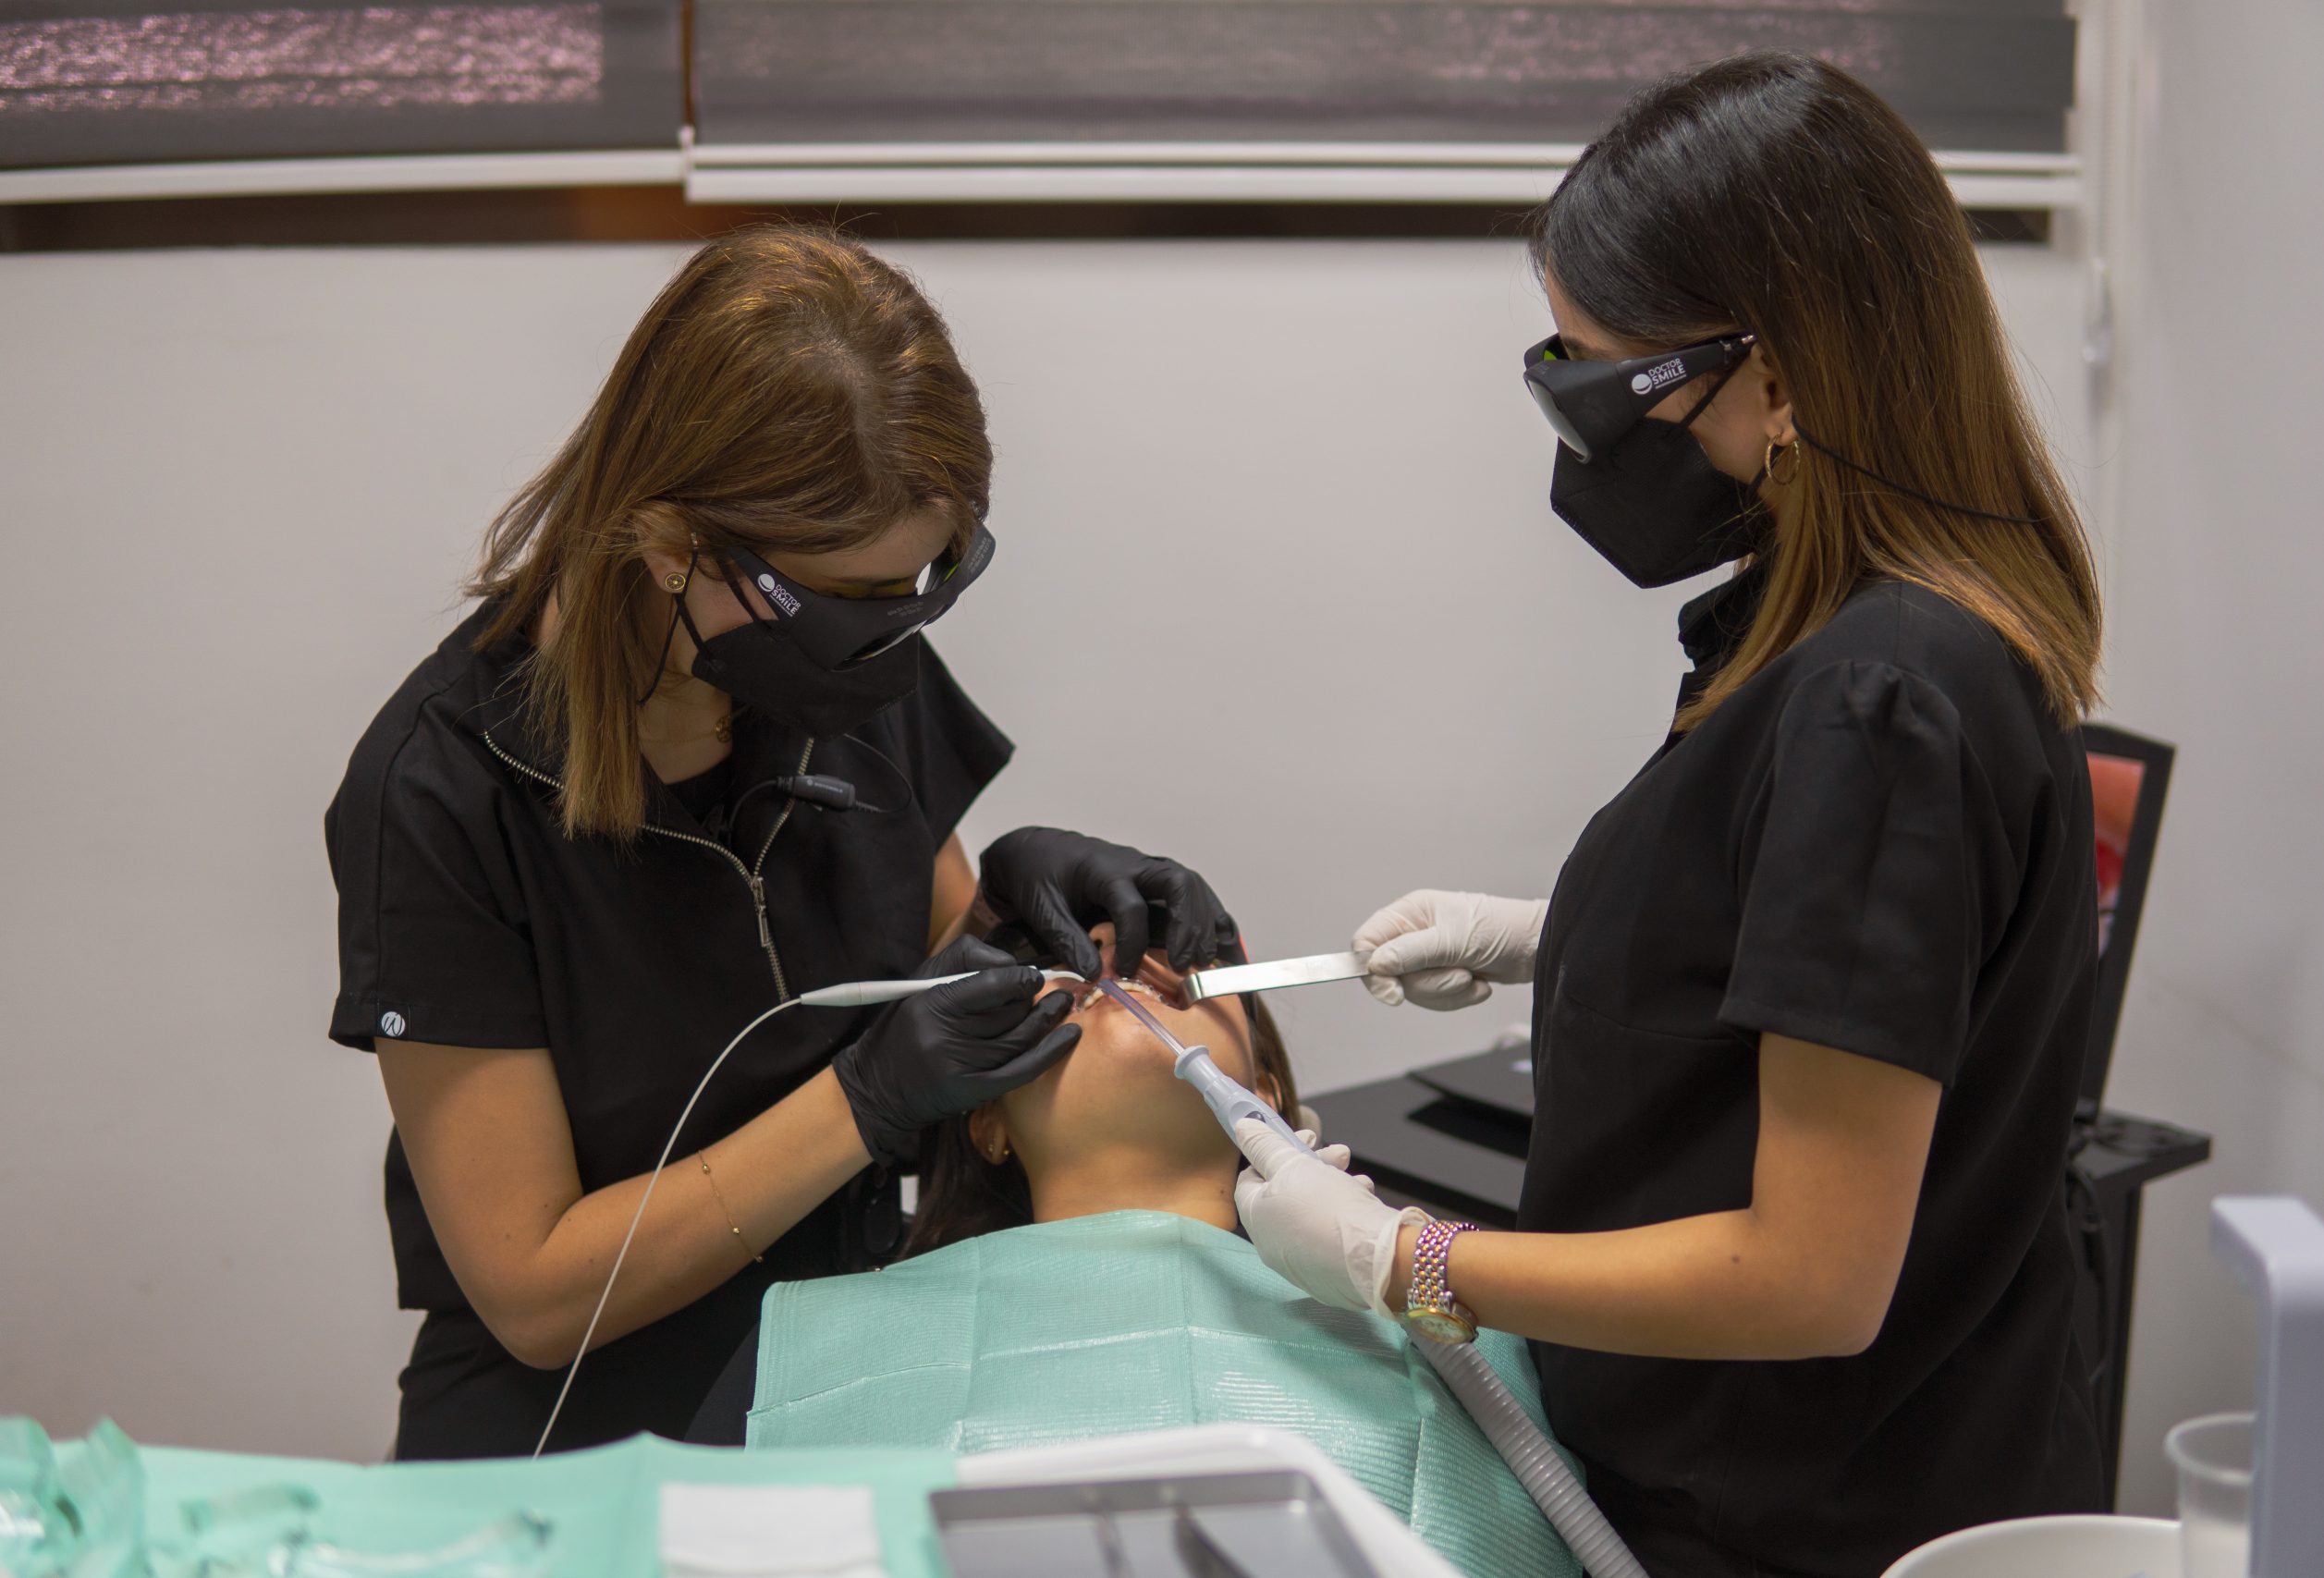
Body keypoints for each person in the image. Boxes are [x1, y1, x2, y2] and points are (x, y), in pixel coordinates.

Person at [1231, 52, 2110, 1578]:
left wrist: (1406, 1260)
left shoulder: (1879, 698)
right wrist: (1548, 937)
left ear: (1780, 377)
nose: (1577, 431)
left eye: (1602, 378)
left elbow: (1813, 1276)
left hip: (1799, 1517)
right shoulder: (1841, 624)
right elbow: (1835, 956)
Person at [324, 224, 1236, 1459]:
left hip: (838, 1367)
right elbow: (536, 1291)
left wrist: (1015, 904)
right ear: (666, 540)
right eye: (854, 597)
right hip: (579, 1433)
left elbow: (918, 958)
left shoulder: (850, 650)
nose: (896, 638)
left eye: (936, 579)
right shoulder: (439, 795)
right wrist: (860, 1101)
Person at [738, 926, 1582, 1578]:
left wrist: (1405, 1262)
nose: (1119, 962)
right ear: (986, 1118)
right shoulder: (814, 1341)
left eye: (1168, 955)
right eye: (1074, 958)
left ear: (1263, 1097)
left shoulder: (1451, 1317)